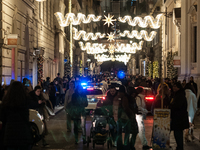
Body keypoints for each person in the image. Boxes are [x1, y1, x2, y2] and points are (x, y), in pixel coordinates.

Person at [0, 81, 33, 150]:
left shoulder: (6, 102)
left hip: (10, 135)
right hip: (24, 134)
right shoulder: (25, 101)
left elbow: (3, 118)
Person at [169, 82, 189, 150]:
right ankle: (179, 147)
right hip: (177, 118)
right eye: (173, 86)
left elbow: (177, 106)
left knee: (178, 134)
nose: (174, 87)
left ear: (179, 87)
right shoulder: (176, 95)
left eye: (175, 86)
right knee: (177, 133)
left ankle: (180, 147)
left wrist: (171, 107)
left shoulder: (180, 96)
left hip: (179, 118)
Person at [114, 85, 133, 150]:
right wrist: (130, 114)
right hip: (125, 117)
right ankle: (125, 146)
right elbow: (125, 107)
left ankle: (119, 146)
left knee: (119, 132)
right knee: (127, 132)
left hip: (118, 117)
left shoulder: (116, 97)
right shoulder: (124, 97)